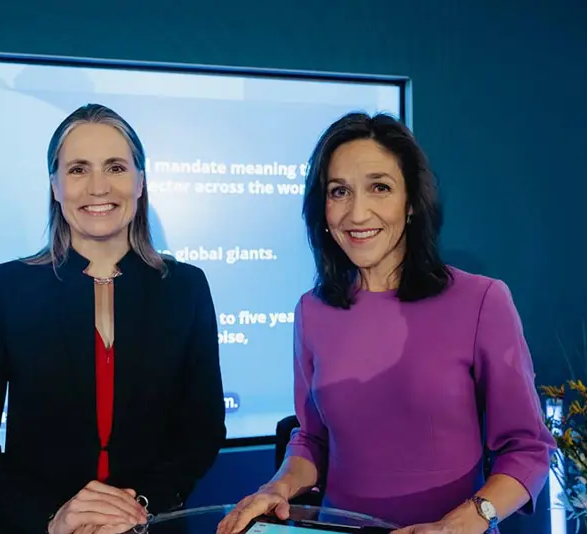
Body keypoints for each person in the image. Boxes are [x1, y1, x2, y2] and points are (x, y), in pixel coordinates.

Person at [218, 113, 556, 534]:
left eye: (380, 187)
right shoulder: (311, 310)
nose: (357, 213)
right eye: (339, 192)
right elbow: (312, 438)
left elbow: (527, 449)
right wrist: (279, 485)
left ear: (411, 202)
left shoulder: (482, 300)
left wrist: (460, 524)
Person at [0, 103, 227, 534]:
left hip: (148, 526)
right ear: (54, 186)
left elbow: (202, 430)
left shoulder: (186, 287)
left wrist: (137, 506)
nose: (98, 187)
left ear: (141, 181)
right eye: (78, 169)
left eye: (115, 167)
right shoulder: (8, 286)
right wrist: (51, 519)